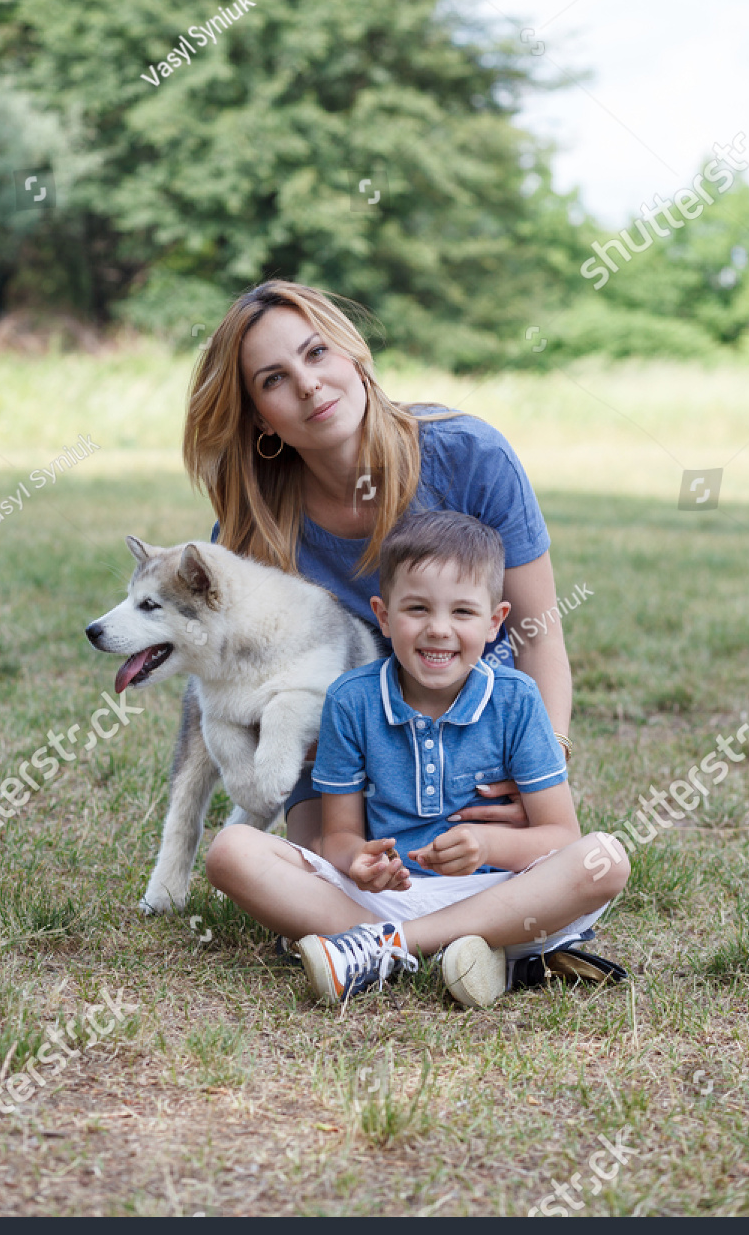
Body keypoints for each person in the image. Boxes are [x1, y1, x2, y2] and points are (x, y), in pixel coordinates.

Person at [182, 278, 574, 857]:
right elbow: (236, 689)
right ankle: (391, 928)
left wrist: (546, 760)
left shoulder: (471, 458)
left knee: (550, 861)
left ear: (354, 355)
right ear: (261, 419)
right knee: (309, 866)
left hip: (477, 745)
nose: (309, 384)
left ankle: (391, 937)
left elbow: (538, 637)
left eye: (317, 352)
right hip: (342, 767)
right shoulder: (251, 534)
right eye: (274, 380)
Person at [206, 510, 629, 1007]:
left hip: (499, 894)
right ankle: (466, 952)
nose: (439, 630)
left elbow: (560, 837)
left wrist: (486, 845)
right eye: (417, 609)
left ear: (496, 623)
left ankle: (385, 949)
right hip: (380, 900)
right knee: (231, 851)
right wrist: (357, 861)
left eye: (463, 613)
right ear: (383, 616)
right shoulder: (352, 699)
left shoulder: (516, 699)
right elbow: (338, 835)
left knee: (606, 859)